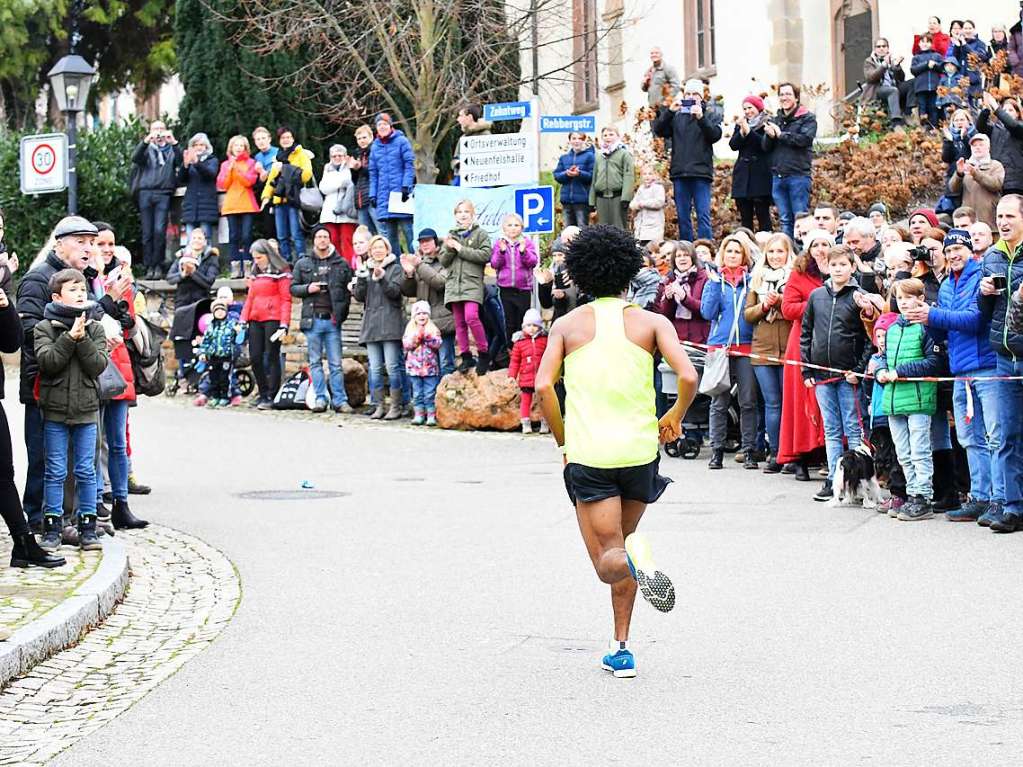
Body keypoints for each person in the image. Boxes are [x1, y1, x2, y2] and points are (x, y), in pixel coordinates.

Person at [534, 224, 699, 679]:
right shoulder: (653, 322)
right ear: (630, 273)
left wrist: (563, 439)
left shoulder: (567, 325)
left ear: (580, 276)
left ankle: (634, 565)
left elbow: (543, 385)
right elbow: (687, 376)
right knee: (621, 542)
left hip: (591, 455)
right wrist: (675, 417)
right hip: (641, 451)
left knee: (608, 562)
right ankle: (620, 646)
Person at [904, 229, 1000, 522]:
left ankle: (1001, 499)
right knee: (969, 437)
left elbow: (974, 320)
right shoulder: (946, 286)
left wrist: (932, 315)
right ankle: (980, 497)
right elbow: (942, 331)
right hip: (960, 371)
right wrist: (925, 318)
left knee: (995, 437)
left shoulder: (980, 277)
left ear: (970, 250)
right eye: (948, 251)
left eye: (958, 249)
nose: (953, 255)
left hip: (987, 367)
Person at [17, 218, 99, 534]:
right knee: (44, 460)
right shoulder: (38, 279)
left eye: (91, 242)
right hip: (43, 385)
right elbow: (27, 334)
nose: (88, 248)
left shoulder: (81, 280)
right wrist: (68, 338)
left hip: (78, 386)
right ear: (58, 243)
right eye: (80, 241)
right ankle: (37, 520)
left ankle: (68, 518)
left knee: (73, 464)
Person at [35, 269, 108, 552]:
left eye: (83, 289)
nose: (80, 294)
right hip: (54, 411)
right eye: (73, 289)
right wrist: (68, 338)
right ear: (57, 297)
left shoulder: (96, 328)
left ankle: (88, 527)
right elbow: (48, 362)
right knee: (55, 470)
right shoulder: (45, 328)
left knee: (86, 470)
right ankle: (52, 527)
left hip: (87, 410)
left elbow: (98, 365)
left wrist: (82, 338)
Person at [800, 244, 870, 501]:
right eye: (834, 265)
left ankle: (858, 480)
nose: (838, 269)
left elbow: (868, 338)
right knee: (831, 428)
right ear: (826, 267)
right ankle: (834, 479)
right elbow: (806, 333)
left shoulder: (858, 296)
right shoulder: (816, 296)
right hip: (821, 374)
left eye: (843, 265)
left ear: (852, 267)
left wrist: (859, 370)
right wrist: (807, 368)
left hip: (848, 374)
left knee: (853, 428)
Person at [874, 279, 945, 521]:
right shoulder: (893, 329)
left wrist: (902, 371)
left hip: (918, 399)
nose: (904, 303)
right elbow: (883, 358)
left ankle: (922, 496)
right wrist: (880, 371)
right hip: (894, 400)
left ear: (920, 299)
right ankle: (912, 492)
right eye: (900, 298)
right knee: (903, 452)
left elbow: (934, 362)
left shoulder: (926, 328)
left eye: (908, 297)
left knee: (919, 450)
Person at [977, 195, 1023, 532]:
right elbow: (983, 314)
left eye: (1009, 216)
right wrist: (983, 293)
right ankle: (1012, 506)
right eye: (999, 215)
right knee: (1007, 435)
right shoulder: (991, 256)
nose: (1003, 222)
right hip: (1004, 359)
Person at [700, 235, 758, 470]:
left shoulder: (753, 281)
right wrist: (714, 284)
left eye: (737, 251)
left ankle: (749, 451)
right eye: (729, 251)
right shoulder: (714, 281)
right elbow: (707, 312)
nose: (733, 255)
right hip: (720, 347)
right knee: (719, 402)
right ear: (722, 254)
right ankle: (717, 451)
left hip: (746, 347)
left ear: (744, 255)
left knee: (748, 402)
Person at [744, 233, 794, 473]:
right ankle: (775, 452)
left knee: (788, 404)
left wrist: (780, 301)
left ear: (788, 253)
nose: (775, 256)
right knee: (772, 403)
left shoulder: (794, 278)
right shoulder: (757, 279)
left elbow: (797, 310)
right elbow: (748, 315)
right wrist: (764, 305)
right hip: (762, 348)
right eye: (771, 251)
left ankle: (791, 453)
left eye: (780, 251)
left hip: (788, 348)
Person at [291, 225, 353, 413]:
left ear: (330, 239)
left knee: (335, 363)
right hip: (313, 320)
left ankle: (340, 400)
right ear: (314, 240)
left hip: (333, 320)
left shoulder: (341, 263)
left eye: (325, 236)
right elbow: (293, 288)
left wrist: (341, 314)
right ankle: (320, 398)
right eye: (319, 237)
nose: (322, 240)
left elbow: (348, 291)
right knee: (315, 362)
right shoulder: (303, 263)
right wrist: (307, 288)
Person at [651, 80, 722, 241]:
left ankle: (706, 249)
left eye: (694, 94)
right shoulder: (677, 115)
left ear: (701, 96)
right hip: (680, 173)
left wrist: (701, 118)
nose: (690, 97)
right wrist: (669, 111)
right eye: (687, 94)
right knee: (683, 218)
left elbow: (715, 135)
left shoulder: (710, 113)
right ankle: (687, 250)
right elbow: (659, 130)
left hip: (701, 173)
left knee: (703, 216)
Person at [354, 235, 406, 420]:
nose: (377, 250)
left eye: (381, 247)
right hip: (372, 325)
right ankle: (378, 405)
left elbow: (395, 292)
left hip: (390, 324)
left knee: (392, 367)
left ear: (387, 249)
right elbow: (360, 296)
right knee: (375, 368)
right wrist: (360, 278)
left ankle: (396, 405)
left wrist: (382, 278)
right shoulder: (366, 268)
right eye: (374, 248)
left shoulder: (395, 268)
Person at [439, 200, 493, 376]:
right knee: (459, 323)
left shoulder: (480, 234)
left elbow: (485, 255)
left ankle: (484, 353)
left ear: (473, 215)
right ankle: (465, 355)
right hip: (454, 284)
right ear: (455, 215)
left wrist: (460, 248)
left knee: (471, 317)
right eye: (459, 212)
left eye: (466, 212)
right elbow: (443, 261)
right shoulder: (450, 235)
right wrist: (449, 248)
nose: (463, 215)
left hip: (471, 283)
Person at [239, 239, 291, 409]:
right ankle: (263, 393)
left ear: (268, 255)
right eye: (254, 258)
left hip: (273, 317)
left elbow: (286, 299)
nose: (257, 261)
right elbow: (250, 298)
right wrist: (242, 319)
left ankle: (272, 394)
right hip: (255, 317)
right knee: (254, 357)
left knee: (272, 355)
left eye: (259, 257)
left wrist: (284, 323)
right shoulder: (255, 273)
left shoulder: (281, 272)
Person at [762, 83, 817, 239]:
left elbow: (804, 140)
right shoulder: (775, 119)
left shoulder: (807, 118)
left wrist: (780, 135)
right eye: (781, 94)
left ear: (796, 97)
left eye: (788, 94)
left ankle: (803, 253)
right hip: (778, 176)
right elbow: (765, 147)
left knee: (802, 220)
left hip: (798, 176)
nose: (784, 98)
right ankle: (788, 254)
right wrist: (769, 135)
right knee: (785, 220)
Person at [400, 229, 455, 376]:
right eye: (421, 242)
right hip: (424, 322)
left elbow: (439, 282)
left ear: (436, 243)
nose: (424, 244)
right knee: (428, 364)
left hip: (444, 320)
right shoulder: (420, 263)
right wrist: (409, 274)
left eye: (428, 241)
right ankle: (432, 397)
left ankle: (446, 397)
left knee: (445, 362)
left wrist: (419, 265)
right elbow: (408, 291)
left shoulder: (446, 260)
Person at [132, 120, 182, 279]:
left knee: (160, 231)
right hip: (145, 192)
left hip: (163, 193)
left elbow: (181, 162)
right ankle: (149, 267)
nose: (159, 133)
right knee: (147, 232)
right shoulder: (146, 150)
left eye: (161, 129)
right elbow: (135, 157)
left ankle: (158, 265)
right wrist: (146, 140)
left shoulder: (171, 150)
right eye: (155, 130)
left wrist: (173, 142)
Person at [261, 127, 314, 262]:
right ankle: (286, 262)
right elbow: (271, 179)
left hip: (293, 199)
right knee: (281, 235)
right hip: (279, 201)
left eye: (288, 137)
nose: (286, 140)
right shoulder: (278, 156)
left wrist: (285, 169)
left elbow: (306, 175)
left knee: (296, 234)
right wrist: (266, 197)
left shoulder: (301, 154)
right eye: (283, 138)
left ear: (293, 138)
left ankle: (302, 261)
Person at [368, 113, 416, 256]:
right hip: (384, 196)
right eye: (379, 125)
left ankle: (417, 265)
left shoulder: (402, 141)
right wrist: (373, 194)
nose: (382, 127)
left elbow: (409, 164)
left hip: (401, 194)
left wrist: (406, 185)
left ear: (390, 125)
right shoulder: (375, 147)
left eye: (384, 124)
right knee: (390, 238)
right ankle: (395, 268)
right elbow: (373, 173)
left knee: (409, 233)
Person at [729, 95, 774, 232]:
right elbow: (733, 145)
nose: (748, 111)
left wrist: (749, 132)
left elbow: (763, 145)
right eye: (745, 109)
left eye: (750, 108)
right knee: (745, 218)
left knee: (763, 215)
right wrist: (742, 132)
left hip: (760, 175)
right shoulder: (742, 125)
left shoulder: (767, 123)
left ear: (758, 108)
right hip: (743, 176)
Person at [217, 135, 260, 278]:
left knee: (247, 235)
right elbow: (223, 184)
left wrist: (237, 169)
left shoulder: (251, 162)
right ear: (231, 148)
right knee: (233, 236)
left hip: (247, 203)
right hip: (231, 204)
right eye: (236, 145)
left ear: (246, 148)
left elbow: (249, 181)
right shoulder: (225, 164)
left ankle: (248, 264)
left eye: (241, 146)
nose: (239, 148)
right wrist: (230, 169)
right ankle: (235, 266)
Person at [490, 213, 538, 340]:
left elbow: (533, 262)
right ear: (504, 228)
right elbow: (495, 263)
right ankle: (511, 348)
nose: (513, 228)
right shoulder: (499, 243)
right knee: (509, 321)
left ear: (522, 228)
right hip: (506, 289)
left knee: (522, 320)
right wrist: (501, 251)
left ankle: (523, 346)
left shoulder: (526, 242)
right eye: (509, 225)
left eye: (516, 225)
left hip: (523, 289)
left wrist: (523, 252)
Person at [653, 240, 710, 344]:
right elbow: (664, 315)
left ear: (692, 258)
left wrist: (684, 298)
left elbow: (706, 310)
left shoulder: (704, 278)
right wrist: (668, 300)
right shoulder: (669, 279)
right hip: (677, 338)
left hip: (700, 339)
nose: (682, 258)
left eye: (686, 255)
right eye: (678, 256)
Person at [949, 133, 1004, 229]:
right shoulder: (965, 165)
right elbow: (953, 189)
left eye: (981, 145)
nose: (977, 148)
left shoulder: (996, 165)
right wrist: (959, 174)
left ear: (988, 147)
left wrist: (975, 173)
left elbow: (996, 184)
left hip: (989, 221)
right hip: (967, 221)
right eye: (974, 145)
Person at [401, 300, 442, 426]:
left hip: (430, 368)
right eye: (418, 314)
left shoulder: (433, 329)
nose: (422, 316)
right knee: (417, 392)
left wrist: (428, 337)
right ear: (414, 316)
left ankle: (431, 414)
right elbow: (406, 345)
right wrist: (417, 337)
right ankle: (419, 413)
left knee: (430, 392)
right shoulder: (410, 330)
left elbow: (438, 344)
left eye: (424, 313)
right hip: (415, 368)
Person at [508, 308, 548, 434]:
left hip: (541, 377)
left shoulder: (544, 340)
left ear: (539, 327)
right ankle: (525, 422)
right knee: (526, 401)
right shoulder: (519, 343)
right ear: (524, 327)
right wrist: (512, 375)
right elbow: (515, 361)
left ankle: (545, 422)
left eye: (535, 325)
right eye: (529, 325)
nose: (531, 328)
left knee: (544, 402)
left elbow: (550, 357)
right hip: (526, 377)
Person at [317, 144, 358, 265]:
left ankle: (350, 266)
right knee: (332, 240)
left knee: (347, 240)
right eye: (334, 156)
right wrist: (340, 183)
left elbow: (351, 182)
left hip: (347, 210)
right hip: (329, 211)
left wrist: (336, 183)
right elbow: (323, 188)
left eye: (340, 155)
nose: (337, 158)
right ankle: (334, 266)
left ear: (345, 156)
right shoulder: (327, 169)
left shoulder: (350, 168)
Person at [589, 126, 635, 231]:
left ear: (618, 136)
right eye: (605, 135)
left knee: (619, 227)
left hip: (617, 197)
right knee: (602, 228)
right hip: (601, 198)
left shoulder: (624, 154)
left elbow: (628, 176)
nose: (608, 137)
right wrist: (591, 201)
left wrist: (626, 198)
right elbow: (594, 178)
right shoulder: (599, 156)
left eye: (611, 134)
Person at [978, 92, 1023, 196]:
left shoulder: (1019, 127)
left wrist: (997, 108)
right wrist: (987, 109)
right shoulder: (995, 128)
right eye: (1005, 110)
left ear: (1018, 113)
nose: (1006, 112)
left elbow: (1012, 124)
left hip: (1015, 181)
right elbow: (980, 127)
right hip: (995, 177)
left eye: (1010, 110)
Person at [178, 132, 220, 242]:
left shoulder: (212, 160)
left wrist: (196, 163)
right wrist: (185, 166)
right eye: (195, 145)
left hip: (206, 205)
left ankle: (206, 259)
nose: (198, 147)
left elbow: (210, 174)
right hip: (191, 205)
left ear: (206, 146)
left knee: (205, 238)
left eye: (201, 145)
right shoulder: (189, 162)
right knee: (189, 240)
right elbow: (181, 179)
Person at [198, 296, 238, 407]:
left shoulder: (231, 325)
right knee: (213, 377)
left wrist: (239, 331)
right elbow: (206, 341)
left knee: (224, 378)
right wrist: (203, 352)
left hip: (226, 356)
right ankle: (215, 396)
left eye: (222, 310)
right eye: (217, 311)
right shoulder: (210, 327)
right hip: (213, 356)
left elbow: (237, 338)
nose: (220, 313)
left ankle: (225, 396)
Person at [553, 132, 595, 228]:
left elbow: (592, 176)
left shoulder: (590, 156)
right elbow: (557, 175)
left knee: (582, 230)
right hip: (566, 201)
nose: (577, 141)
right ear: (570, 141)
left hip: (582, 201)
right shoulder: (564, 158)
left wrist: (579, 174)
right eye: (574, 138)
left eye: (580, 139)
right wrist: (566, 174)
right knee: (567, 231)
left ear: (584, 141)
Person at [862, 38, 907, 127]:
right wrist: (884, 65)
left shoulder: (892, 60)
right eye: (878, 46)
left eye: (884, 46)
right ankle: (896, 121)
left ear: (887, 48)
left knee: (912, 83)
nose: (881, 48)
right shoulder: (869, 61)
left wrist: (897, 66)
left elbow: (901, 79)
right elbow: (871, 78)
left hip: (893, 87)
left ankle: (909, 112)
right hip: (878, 90)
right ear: (875, 49)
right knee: (893, 90)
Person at [951, 20, 990, 106]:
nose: (967, 31)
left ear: (974, 29)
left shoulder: (980, 43)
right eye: (965, 28)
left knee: (974, 107)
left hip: (975, 80)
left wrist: (965, 44)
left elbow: (979, 57)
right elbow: (954, 59)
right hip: (961, 80)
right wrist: (957, 45)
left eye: (970, 28)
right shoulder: (959, 43)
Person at [911, 34, 944, 129]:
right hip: (921, 88)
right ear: (919, 44)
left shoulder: (937, 56)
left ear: (931, 43)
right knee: (922, 108)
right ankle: (923, 127)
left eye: (927, 42)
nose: (925, 44)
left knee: (933, 107)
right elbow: (913, 70)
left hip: (934, 87)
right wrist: (926, 65)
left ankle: (934, 127)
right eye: (922, 42)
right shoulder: (916, 57)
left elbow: (942, 68)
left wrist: (935, 65)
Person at [350, 125, 378, 235]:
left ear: (371, 137)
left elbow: (375, 173)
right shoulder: (358, 154)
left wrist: (360, 168)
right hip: (361, 199)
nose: (362, 141)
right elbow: (355, 180)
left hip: (374, 198)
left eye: (364, 137)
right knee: (365, 234)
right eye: (359, 139)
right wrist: (353, 170)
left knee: (383, 232)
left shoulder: (376, 151)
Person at [629, 167, 667, 245]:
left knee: (653, 246)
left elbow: (659, 202)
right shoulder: (641, 188)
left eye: (650, 174)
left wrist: (643, 203)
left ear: (654, 175)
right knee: (641, 247)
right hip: (641, 226)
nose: (647, 176)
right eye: (645, 174)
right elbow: (633, 203)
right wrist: (636, 205)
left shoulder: (658, 187)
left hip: (654, 224)